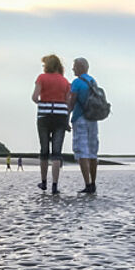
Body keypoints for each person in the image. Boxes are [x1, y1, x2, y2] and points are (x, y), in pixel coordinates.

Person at [32, 54, 70, 195]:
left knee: (44, 150)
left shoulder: (41, 78)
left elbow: (34, 97)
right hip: (60, 117)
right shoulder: (65, 81)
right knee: (56, 152)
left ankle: (43, 182)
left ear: (47, 65)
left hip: (44, 116)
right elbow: (68, 101)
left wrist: (43, 102)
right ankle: (55, 185)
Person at [69, 57, 100, 194]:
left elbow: (72, 101)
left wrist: (66, 117)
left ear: (80, 67)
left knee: (82, 151)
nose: (73, 69)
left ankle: (87, 184)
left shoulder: (76, 82)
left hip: (80, 118)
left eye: (74, 66)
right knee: (93, 152)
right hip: (93, 119)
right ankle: (93, 183)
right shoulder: (93, 81)